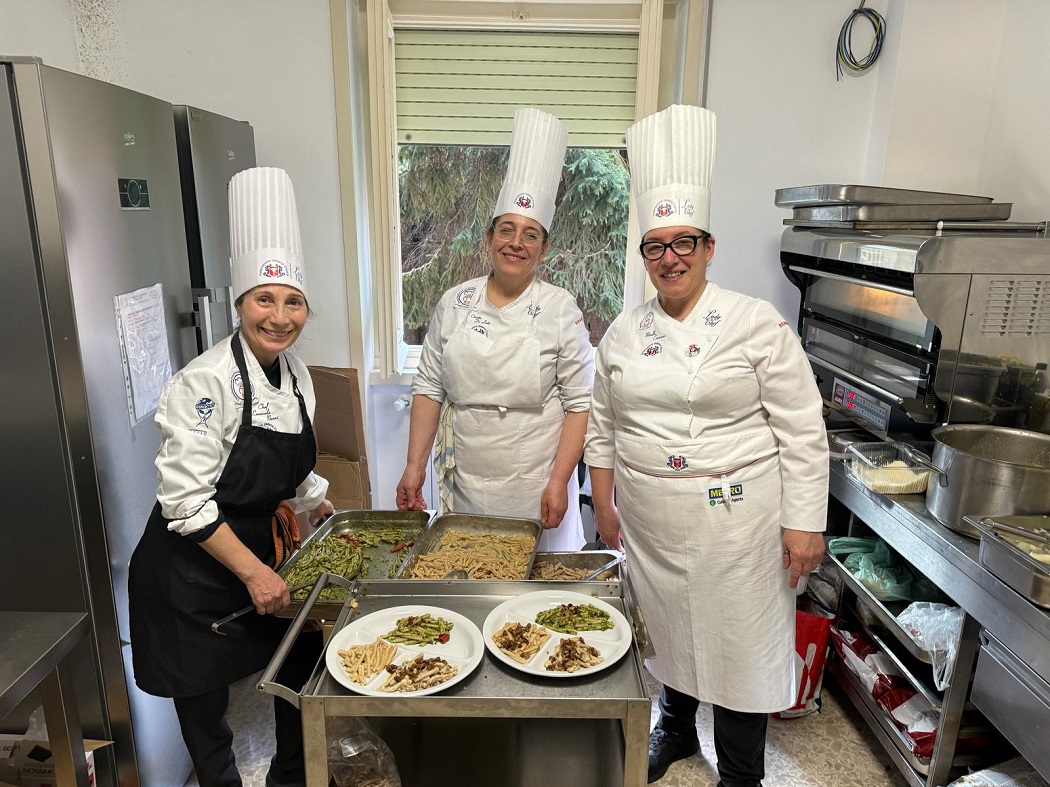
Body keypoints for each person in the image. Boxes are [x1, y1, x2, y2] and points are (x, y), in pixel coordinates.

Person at [584, 105, 829, 786]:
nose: (670, 258)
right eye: (656, 246)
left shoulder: (756, 323)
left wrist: (806, 521)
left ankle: (742, 772)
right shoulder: (623, 334)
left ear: (709, 246)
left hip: (739, 530)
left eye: (683, 242)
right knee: (666, 636)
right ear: (644, 255)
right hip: (653, 527)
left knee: (739, 648)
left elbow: (803, 425)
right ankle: (676, 729)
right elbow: (602, 426)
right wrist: (604, 505)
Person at [128, 167, 334, 787]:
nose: (279, 315)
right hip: (191, 571)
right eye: (264, 300)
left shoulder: (296, 374)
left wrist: (322, 508)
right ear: (240, 304)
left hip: (259, 553)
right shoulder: (205, 382)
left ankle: (289, 779)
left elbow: (295, 468)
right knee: (206, 713)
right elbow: (184, 503)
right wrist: (253, 572)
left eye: (292, 301)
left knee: (300, 661)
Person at [396, 107, 594, 552]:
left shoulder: (560, 309)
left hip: (539, 490)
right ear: (489, 238)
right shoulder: (455, 302)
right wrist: (414, 465)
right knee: (474, 581)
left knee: (542, 604)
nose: (515, 243)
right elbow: (429, 386)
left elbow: (581, 405)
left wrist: (561, 481)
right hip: (467, 484)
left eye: (530, 235)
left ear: (543, 249)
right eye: (507, 230)